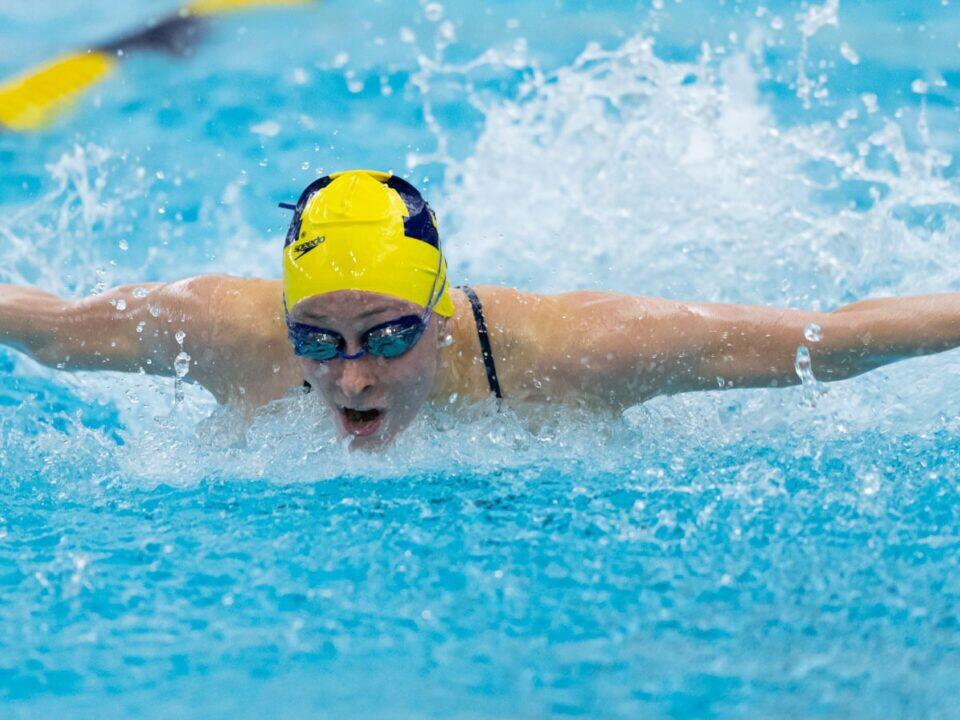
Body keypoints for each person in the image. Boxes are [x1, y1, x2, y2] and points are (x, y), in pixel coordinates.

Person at [1, 169, 959, 448]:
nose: (352, 375)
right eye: (316, 340)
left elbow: (831, 343)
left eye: (388, 335)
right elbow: (43, 325)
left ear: (442, 314)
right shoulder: (221, 331)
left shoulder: (575, 353)